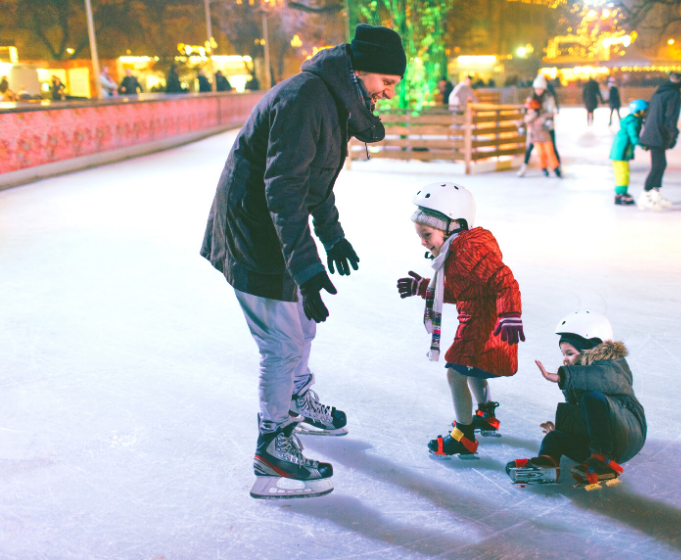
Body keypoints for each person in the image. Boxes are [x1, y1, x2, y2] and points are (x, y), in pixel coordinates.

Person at [201, 24, 405, 500]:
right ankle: (273, 447)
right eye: (386, 82)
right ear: (358, 72)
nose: (389, 94)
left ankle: (295, 398)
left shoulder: (333, 99)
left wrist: (331, 237)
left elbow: (314, 180)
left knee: (302, 329)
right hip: (254, 233)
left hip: (278, 229)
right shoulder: (307, 99)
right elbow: (284, 189)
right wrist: (307, 268)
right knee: (282, 341)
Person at [397, 183, 524, 459]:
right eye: (420, 235)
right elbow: (460, 290)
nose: (423, 242)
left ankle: (464, 435)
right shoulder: (458, 251)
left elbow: (506, 281)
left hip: (485, 325)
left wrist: (511, 315)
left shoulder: (469, 251)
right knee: (472, 371)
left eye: (427, 234)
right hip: (478, 322)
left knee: (456, 374)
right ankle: (486, 414)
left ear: (453, 225)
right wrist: (423, 288)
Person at [506, 311, 646, 488]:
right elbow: (580, 412)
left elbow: (599, 377)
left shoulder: (614, 367)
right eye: (563, 354)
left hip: (628, 435)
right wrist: (562, 429)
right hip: (597, 442)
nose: (564, 360)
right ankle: (547, 465)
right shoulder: (577, 375)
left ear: (591, 350)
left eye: (569, 353)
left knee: (592, 398)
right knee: (555, 437)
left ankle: (602, 462)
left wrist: (562, 378)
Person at [637, 71, 681, 211]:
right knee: (658, 166)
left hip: (653, 132)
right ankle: (645, 195)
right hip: (658, 134)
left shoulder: (659, 92)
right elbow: (671, 117)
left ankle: (656, 194)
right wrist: (672, 136)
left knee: (661, 164)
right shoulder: (673, 94)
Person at [518, 73, 561, 178]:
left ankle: (557, 167)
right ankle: (530, 167)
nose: (538, 91)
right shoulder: (531, 98)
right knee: (531, 148)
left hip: (546, 128)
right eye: (537, 89)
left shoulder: (548, 98)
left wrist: (543, 118)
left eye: (540, 89)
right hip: (534, 129)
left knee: (551, 148)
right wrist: (525, 123)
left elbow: (551, 112)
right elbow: (527, 113)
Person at [609, 99, 647, 206]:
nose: (645, 114)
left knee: (620, 173)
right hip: (621, 152)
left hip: (618, 151)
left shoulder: (631, 119)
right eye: (644, 111)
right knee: (623, 174)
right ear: (638, 111)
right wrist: (644, 145)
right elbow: (634, 138)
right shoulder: (633, 121)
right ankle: (621, 194)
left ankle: (620, 193)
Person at [523, 98, 561, 178]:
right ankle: (543, 168)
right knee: (540, 154)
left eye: (531, 109)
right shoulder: (529, 118)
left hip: (546, 138)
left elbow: (550, 115)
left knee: (550, 153)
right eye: (528, 109)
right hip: (537, 140)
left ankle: (555, 168)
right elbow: (524, 122)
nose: (529, 111)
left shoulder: (541, 116)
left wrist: (546, 121)